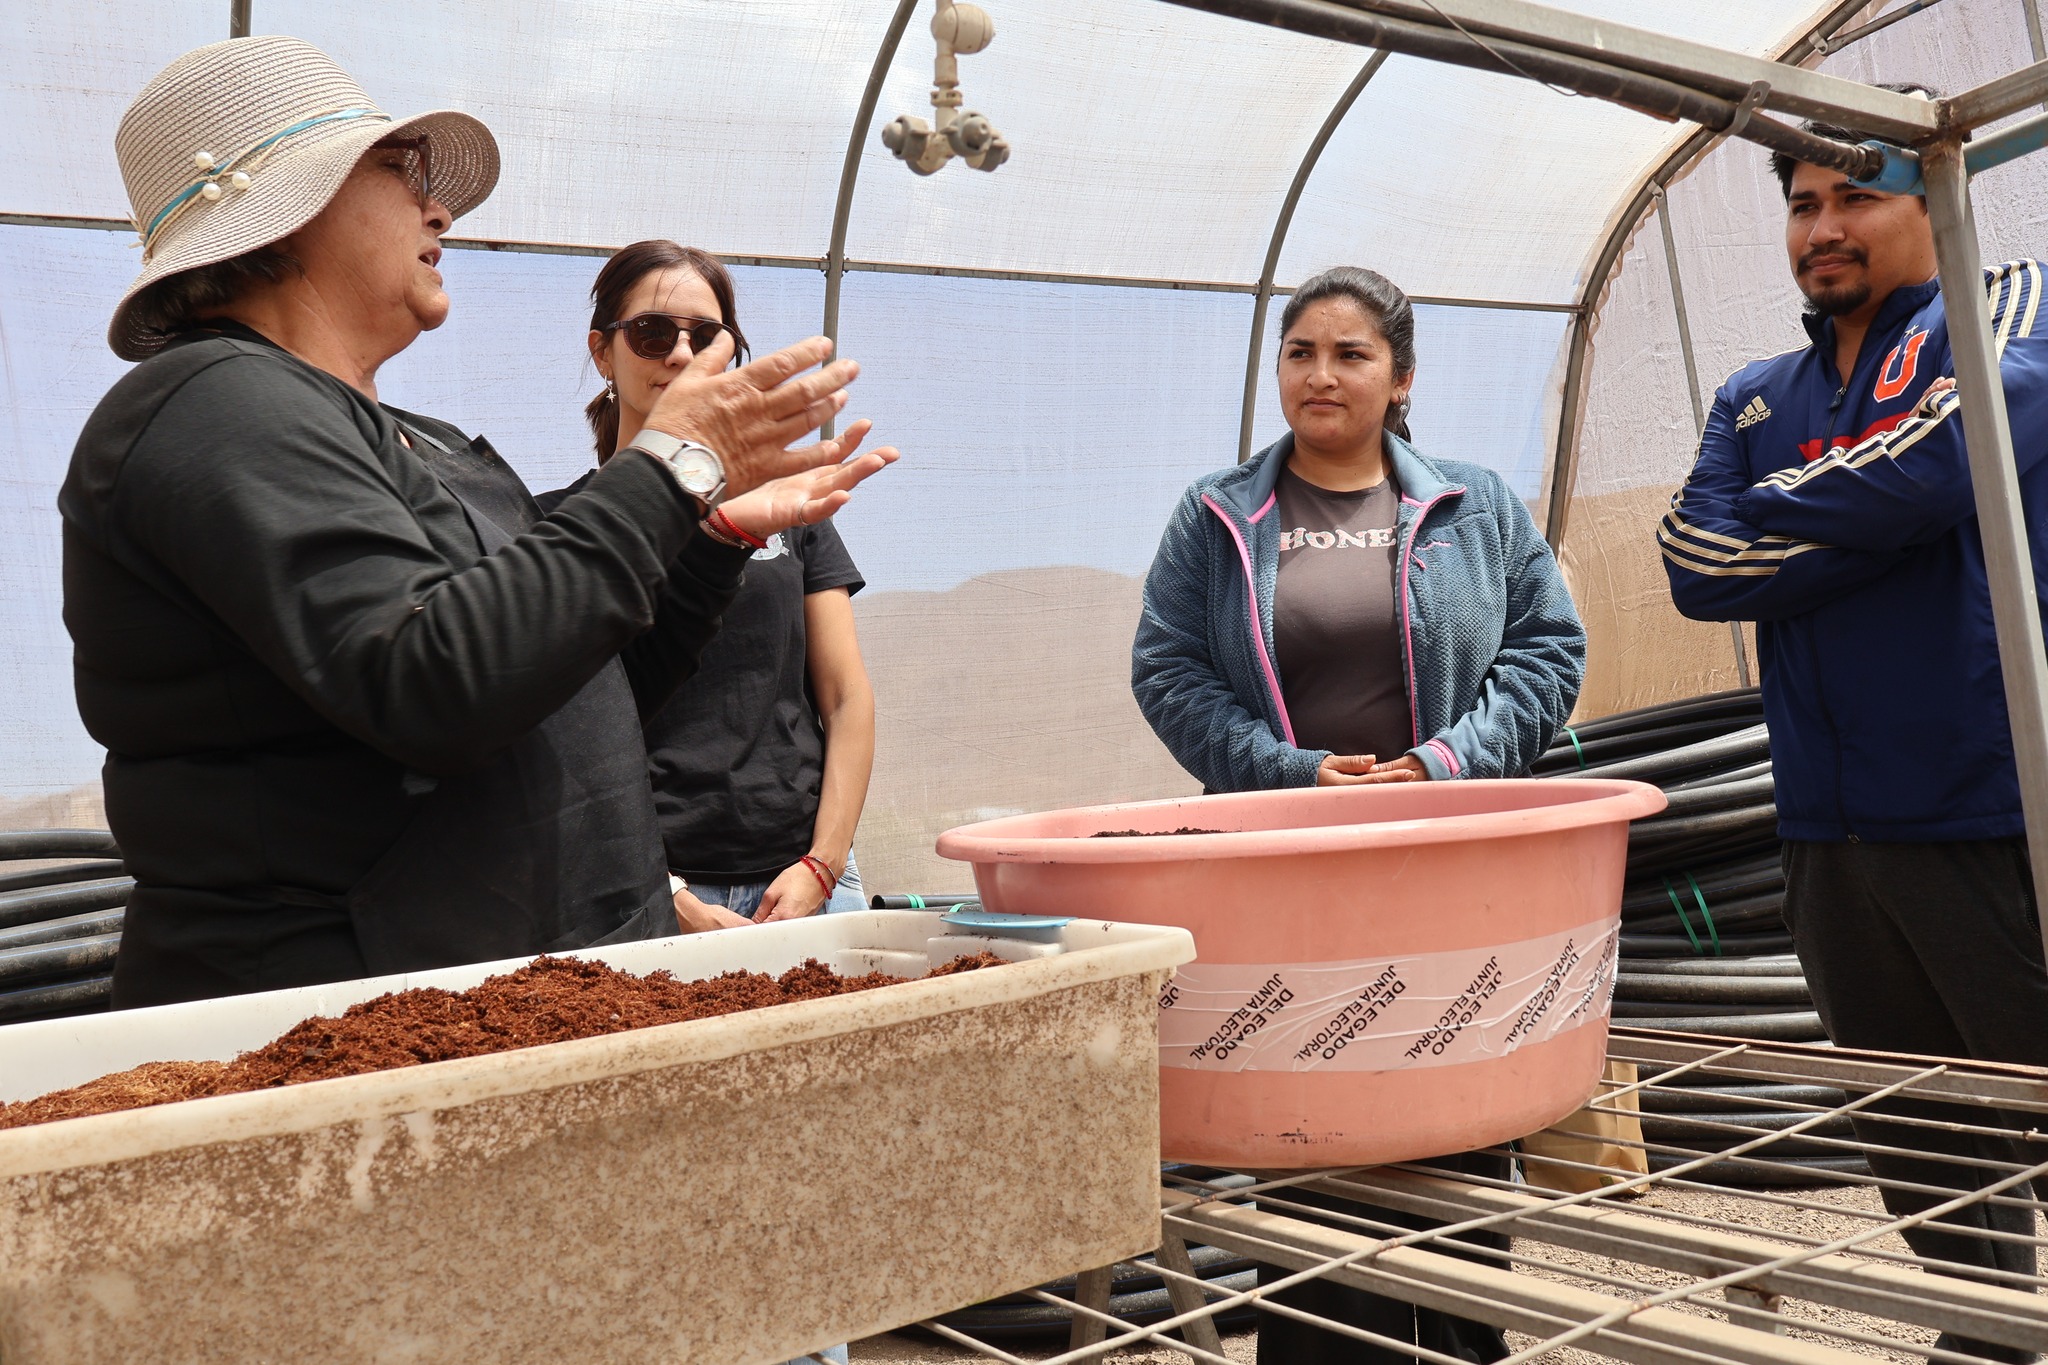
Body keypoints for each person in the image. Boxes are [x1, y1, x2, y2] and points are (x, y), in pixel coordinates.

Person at [61, 36, 894, 1007]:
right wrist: (670, 468)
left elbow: (571, 684)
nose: (439, 206)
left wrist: (711, 543)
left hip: (526, 1009)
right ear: (292, 205)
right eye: (399, 168)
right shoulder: (211, 406)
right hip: (350, 1039)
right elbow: (435, 682)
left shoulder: (417, 439)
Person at [1660, 84, 2048, 1363]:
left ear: (1931, 198)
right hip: (1826, 833)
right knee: (1919, 1139)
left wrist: (1782, 508)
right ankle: (1985, 1339)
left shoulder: (2002, 304)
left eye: (1856, 197)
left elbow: (1947, 457)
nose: (1822, 226)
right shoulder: (1756, 390)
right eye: (1801, 204)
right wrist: (1877, 521)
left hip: (1989, 811)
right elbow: (1691, 564)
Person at [1132, 266, 1585, 1363]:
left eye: (1349, 355)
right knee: (1313, 1119)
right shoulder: (1216, 514)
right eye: (1299, 353)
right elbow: (1167, 670)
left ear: (1401, 379)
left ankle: (1466, 1339)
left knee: (1455, 1115)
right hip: (1291, 876)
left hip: (1445, 867)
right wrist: (1285, 773)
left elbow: (1546, 650)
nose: (1319, 374)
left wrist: (1445, 762)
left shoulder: (1472, 506)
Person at [544, 241, 875, 934]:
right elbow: (562, 738)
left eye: (707, 335)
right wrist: (664, 892)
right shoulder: (557, 527)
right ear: (603, 353)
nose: (680, 353)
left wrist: (823, 863)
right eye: (653, 332)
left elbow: (845, 696)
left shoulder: (790, 513)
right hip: (645, 895)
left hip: (807, 884)